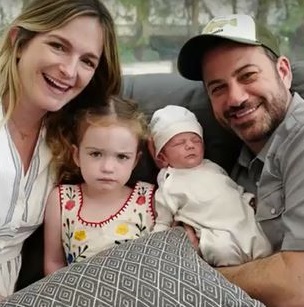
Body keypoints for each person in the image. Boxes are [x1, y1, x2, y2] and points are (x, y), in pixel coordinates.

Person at [176, 13, 304, 306]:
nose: (235, 98)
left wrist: (193, 273)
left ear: (283, 72)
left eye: (248, 75)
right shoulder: (237, 168)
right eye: (218, 88)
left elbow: (299, 286)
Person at [0, 0, 121, 298]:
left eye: (88, 61)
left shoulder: (62, 142)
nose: (69, 70)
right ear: (19, 41)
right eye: (58, 46)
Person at [44, 96, 155, 275]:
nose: (108, 168)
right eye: (96, 154)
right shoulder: (62, 200)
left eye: (122, 157)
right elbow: (53, 263)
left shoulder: (149, 199)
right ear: (76, 155)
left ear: (135, 161)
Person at [150, 104, 271, 266]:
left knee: (264, 243)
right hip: (215, 233)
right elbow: (163, 222)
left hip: (243, 221)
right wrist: (156, 247)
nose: (190, 145)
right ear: (163, 157)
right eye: (180, 143)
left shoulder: (212, 167)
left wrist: (248, 198)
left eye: (196, 140)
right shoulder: (169, 182)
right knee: (220, 250)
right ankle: (231, 278)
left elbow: (232, 188)